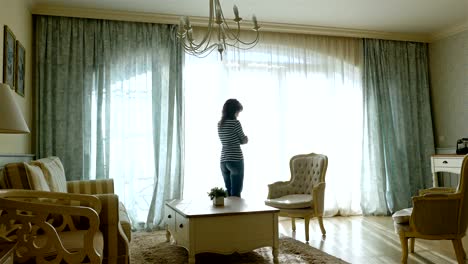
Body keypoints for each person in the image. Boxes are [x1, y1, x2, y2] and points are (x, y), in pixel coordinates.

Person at [218, 99, 248, 197]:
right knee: (236, 194)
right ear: (234, 111)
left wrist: (236, 140)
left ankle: (229, 212)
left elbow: (227, 140)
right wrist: (245, 139)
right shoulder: (235, 123)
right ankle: (236, 212)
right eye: (238, 111)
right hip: (235, 160)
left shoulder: (220, 124)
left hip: (223, 160)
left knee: (229, 192)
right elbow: (243, 140)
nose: (238, 114)